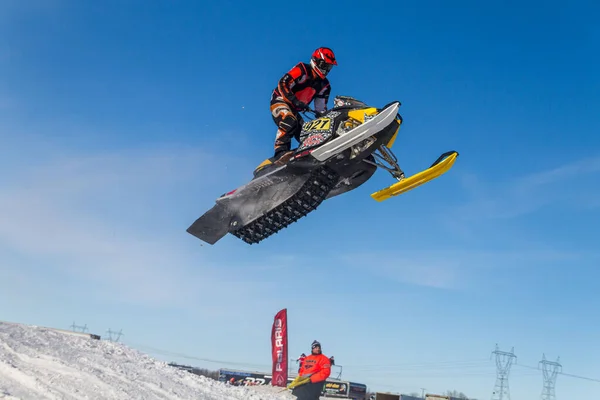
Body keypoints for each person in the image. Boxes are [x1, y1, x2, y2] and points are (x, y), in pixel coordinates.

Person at [270, 47, 337, 164]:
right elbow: (283, 83)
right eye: (324, 65)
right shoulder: (302, 69)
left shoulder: (324, 85)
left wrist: (329, 122)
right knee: (289, 121)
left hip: (295, 109)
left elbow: (321, 110)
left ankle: (307, 160)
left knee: (307, 133)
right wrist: (294, 100)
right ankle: (280, 153)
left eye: (329, 67)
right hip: (280, 100)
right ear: (315, 61)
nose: (326, 70)